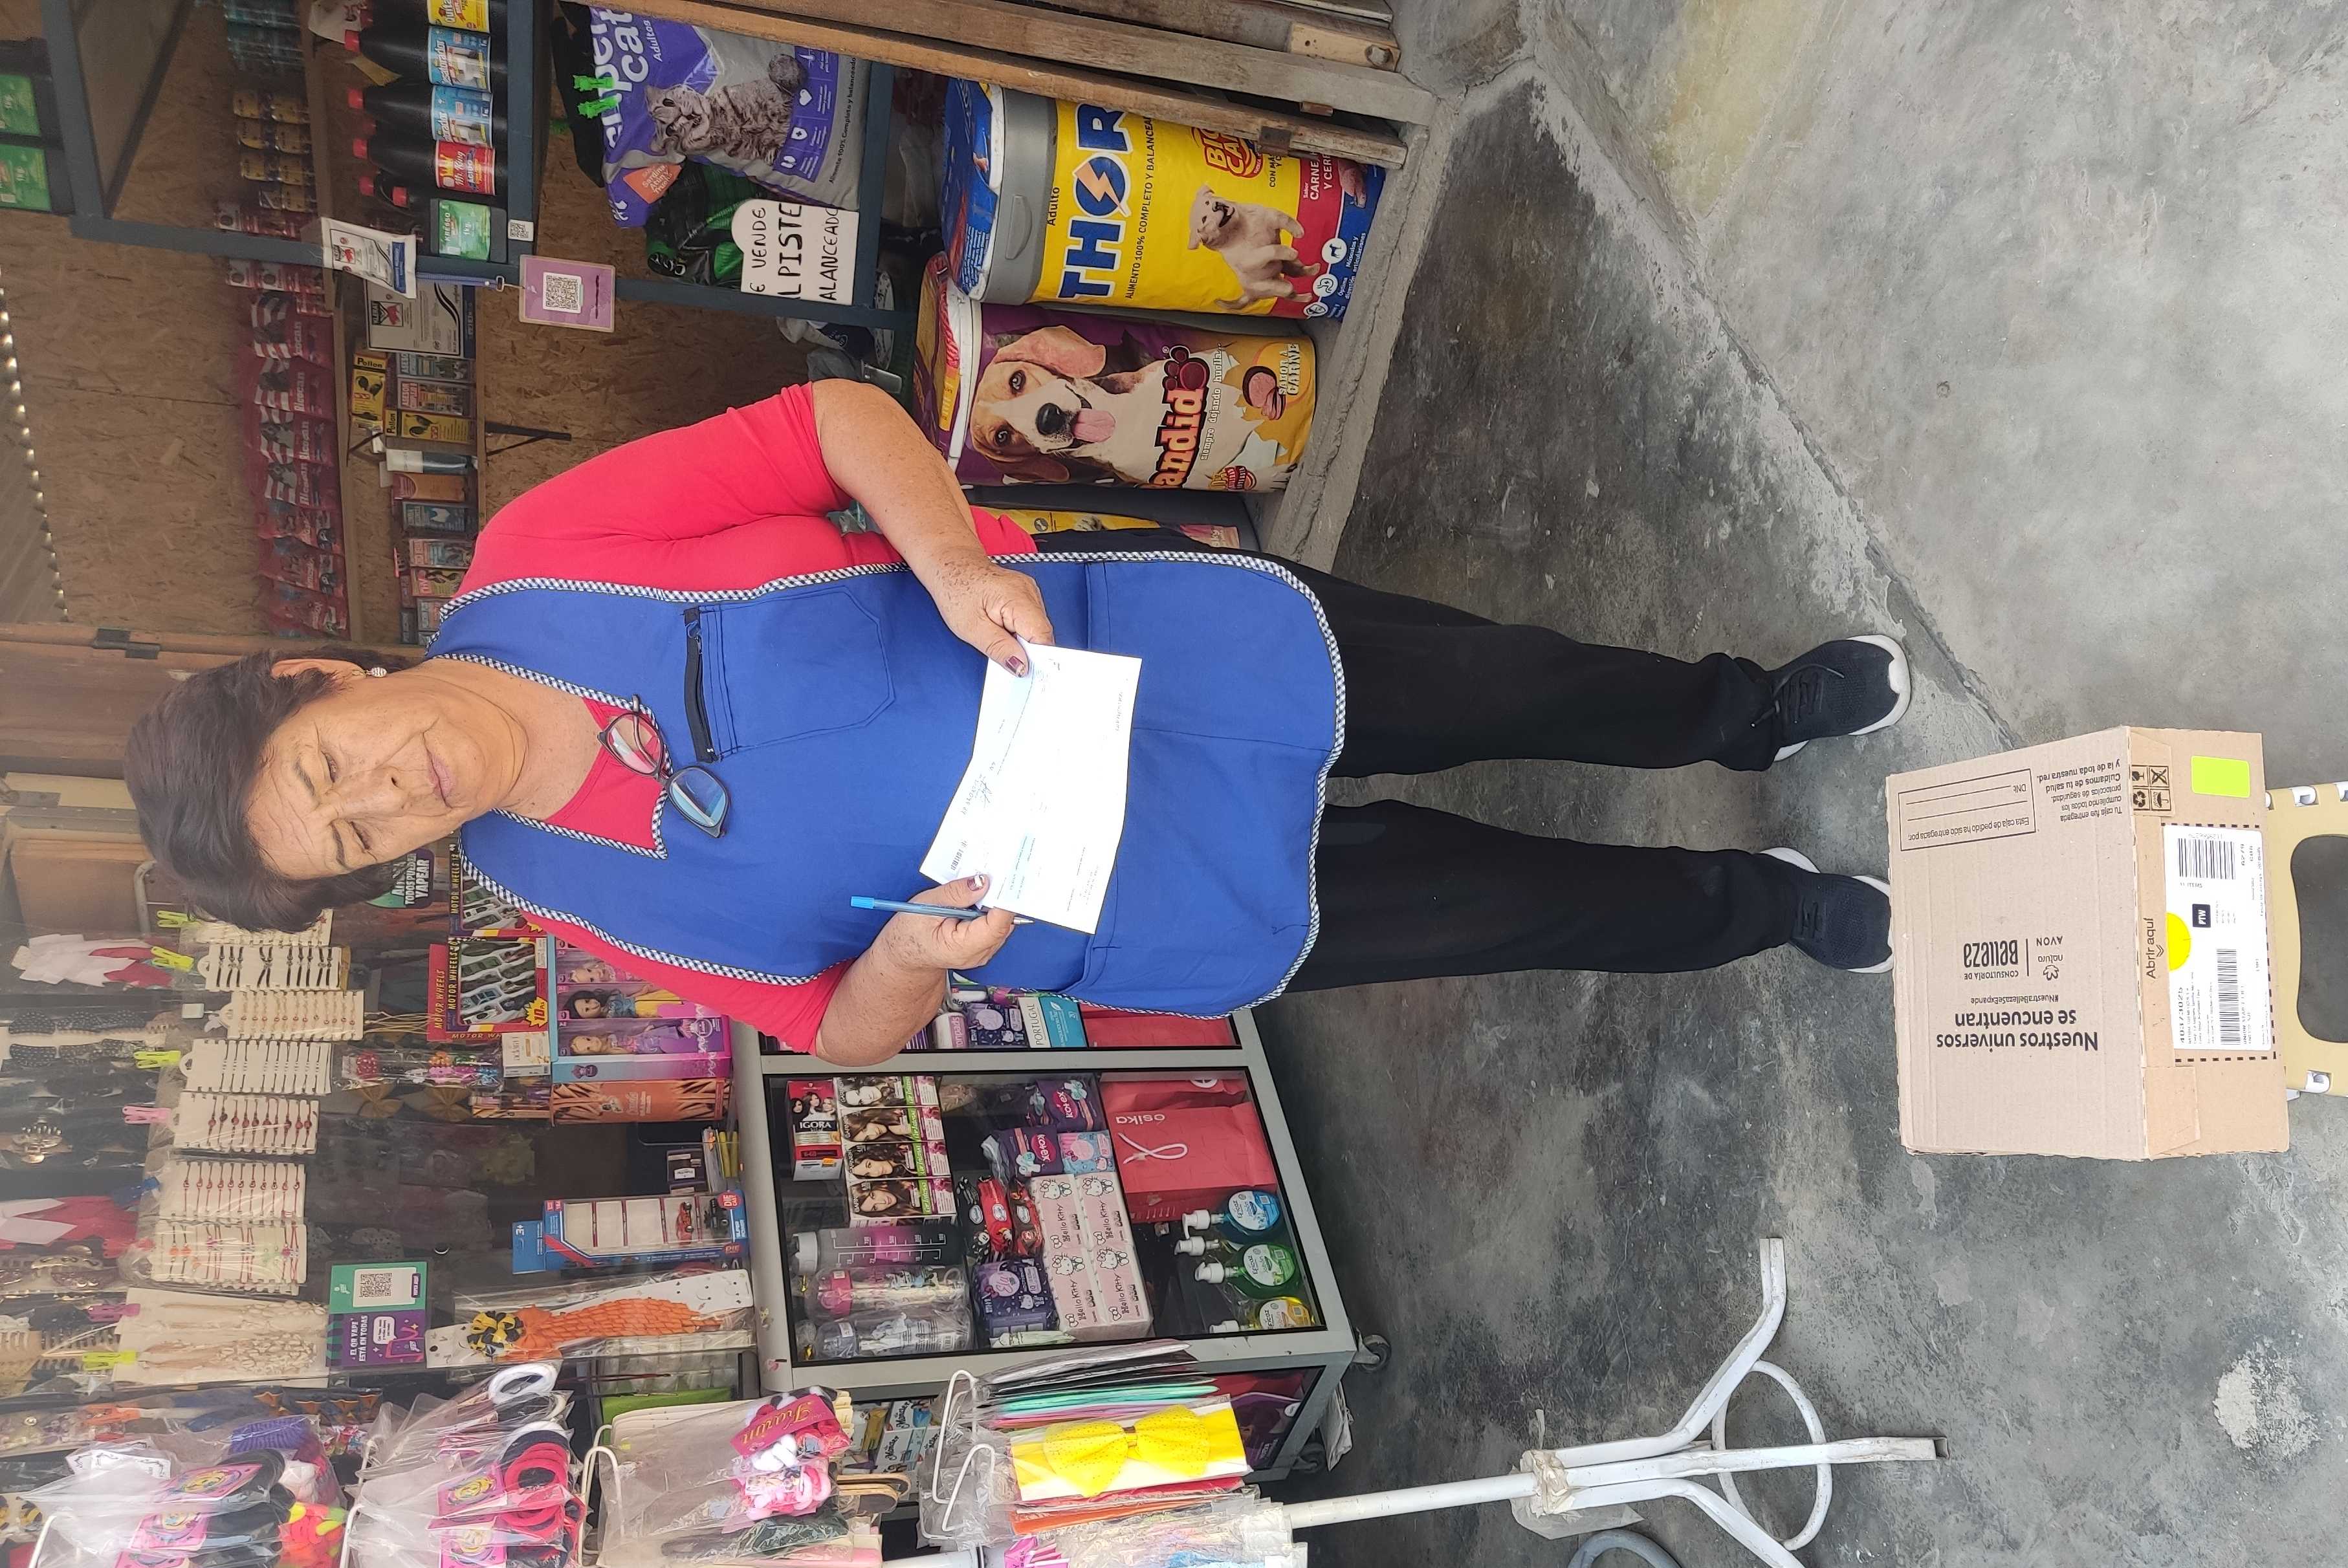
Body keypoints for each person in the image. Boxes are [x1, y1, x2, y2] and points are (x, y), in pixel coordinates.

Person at [126, 382, 1909, 1065]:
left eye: (334, 769)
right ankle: (1758, 909)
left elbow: (826, 426)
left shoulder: (543, 560)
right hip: (1122, 895)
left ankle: (1743, 714)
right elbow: (830, 1035)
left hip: (1139, 654)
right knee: (1504, 910)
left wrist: (954, 560)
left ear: (318, 679)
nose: (390, 796)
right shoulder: (553, 890)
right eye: (357, 840)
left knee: (1511, 684)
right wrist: (910, 957)